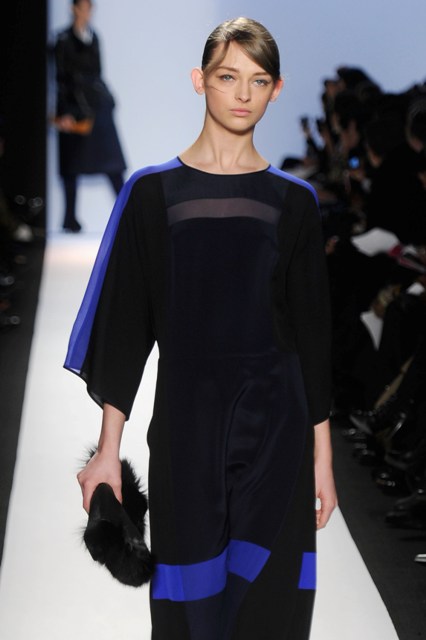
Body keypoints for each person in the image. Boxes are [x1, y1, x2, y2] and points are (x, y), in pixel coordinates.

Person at [65, 17, 337, 639]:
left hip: (278, 428)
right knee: (188, 608)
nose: (243, 93)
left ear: (276, 89)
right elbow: (125, 327)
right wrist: (107, 451)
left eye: (258, 80)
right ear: (200, 81)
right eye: (228, 77)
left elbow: (312, 336)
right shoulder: (151, 193)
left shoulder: (294, 201)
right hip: (187, 426)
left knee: (270, 604)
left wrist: (322, 459)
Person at [54, 0, 126, 232]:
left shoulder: (93, 37)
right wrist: (64, 112)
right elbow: (60, 79)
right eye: (82, 8)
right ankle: (69, 218)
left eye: (89, 8)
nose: (86, 13)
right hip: (74, 109)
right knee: (71, 164)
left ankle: (127, 213)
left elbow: (97, 73)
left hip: (98, 106)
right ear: (73, 9)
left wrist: (109, 99)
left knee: (113, 163)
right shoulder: (62, 40)